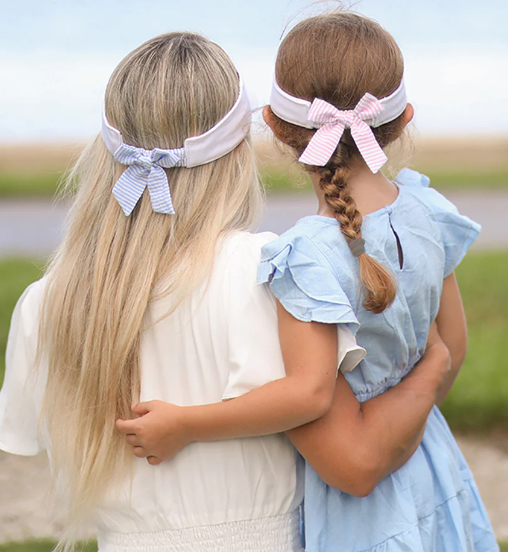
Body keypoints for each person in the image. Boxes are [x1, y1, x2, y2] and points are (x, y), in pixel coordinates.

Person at [0, 29, 453, 552]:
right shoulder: (269, 273)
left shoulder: (48, 301)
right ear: (241, 146)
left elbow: (30, 440)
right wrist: (434, 367)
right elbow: (356, 457)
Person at [117, 12, 499, 552]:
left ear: (273, 125)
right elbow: (450, 350)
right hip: (431, 461)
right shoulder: (430, 211)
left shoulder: (304, 257)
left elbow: (308, 394)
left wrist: (186, 425)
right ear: (405, 117)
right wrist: (427, 369)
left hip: (364, 514)